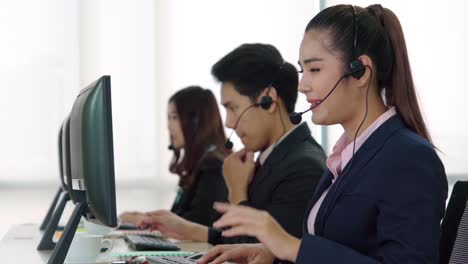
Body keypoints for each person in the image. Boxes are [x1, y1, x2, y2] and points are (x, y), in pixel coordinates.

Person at [197, 4, 448, 264]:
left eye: (314, 70)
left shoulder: (409, 158)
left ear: (360, 71)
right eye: (302, 70)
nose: (303, 86)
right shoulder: (345, 156)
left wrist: (292, 248)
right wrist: (274, 255)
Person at [138, 43, 327, 245]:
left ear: (268, 100)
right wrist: (185, 228)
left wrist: (237, 191)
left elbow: (257, 250)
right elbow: (234, 239)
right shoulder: (270, 158)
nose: (228, 122)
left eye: (233, 108)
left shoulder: (304, 167)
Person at [119, 86, 230, 227]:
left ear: (197, 121)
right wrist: (146, 217)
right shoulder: (199, 164)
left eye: (174, 117)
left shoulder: (213, 166)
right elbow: (180, 215)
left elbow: (199, 222)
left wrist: (145, 221)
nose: (169, 126)